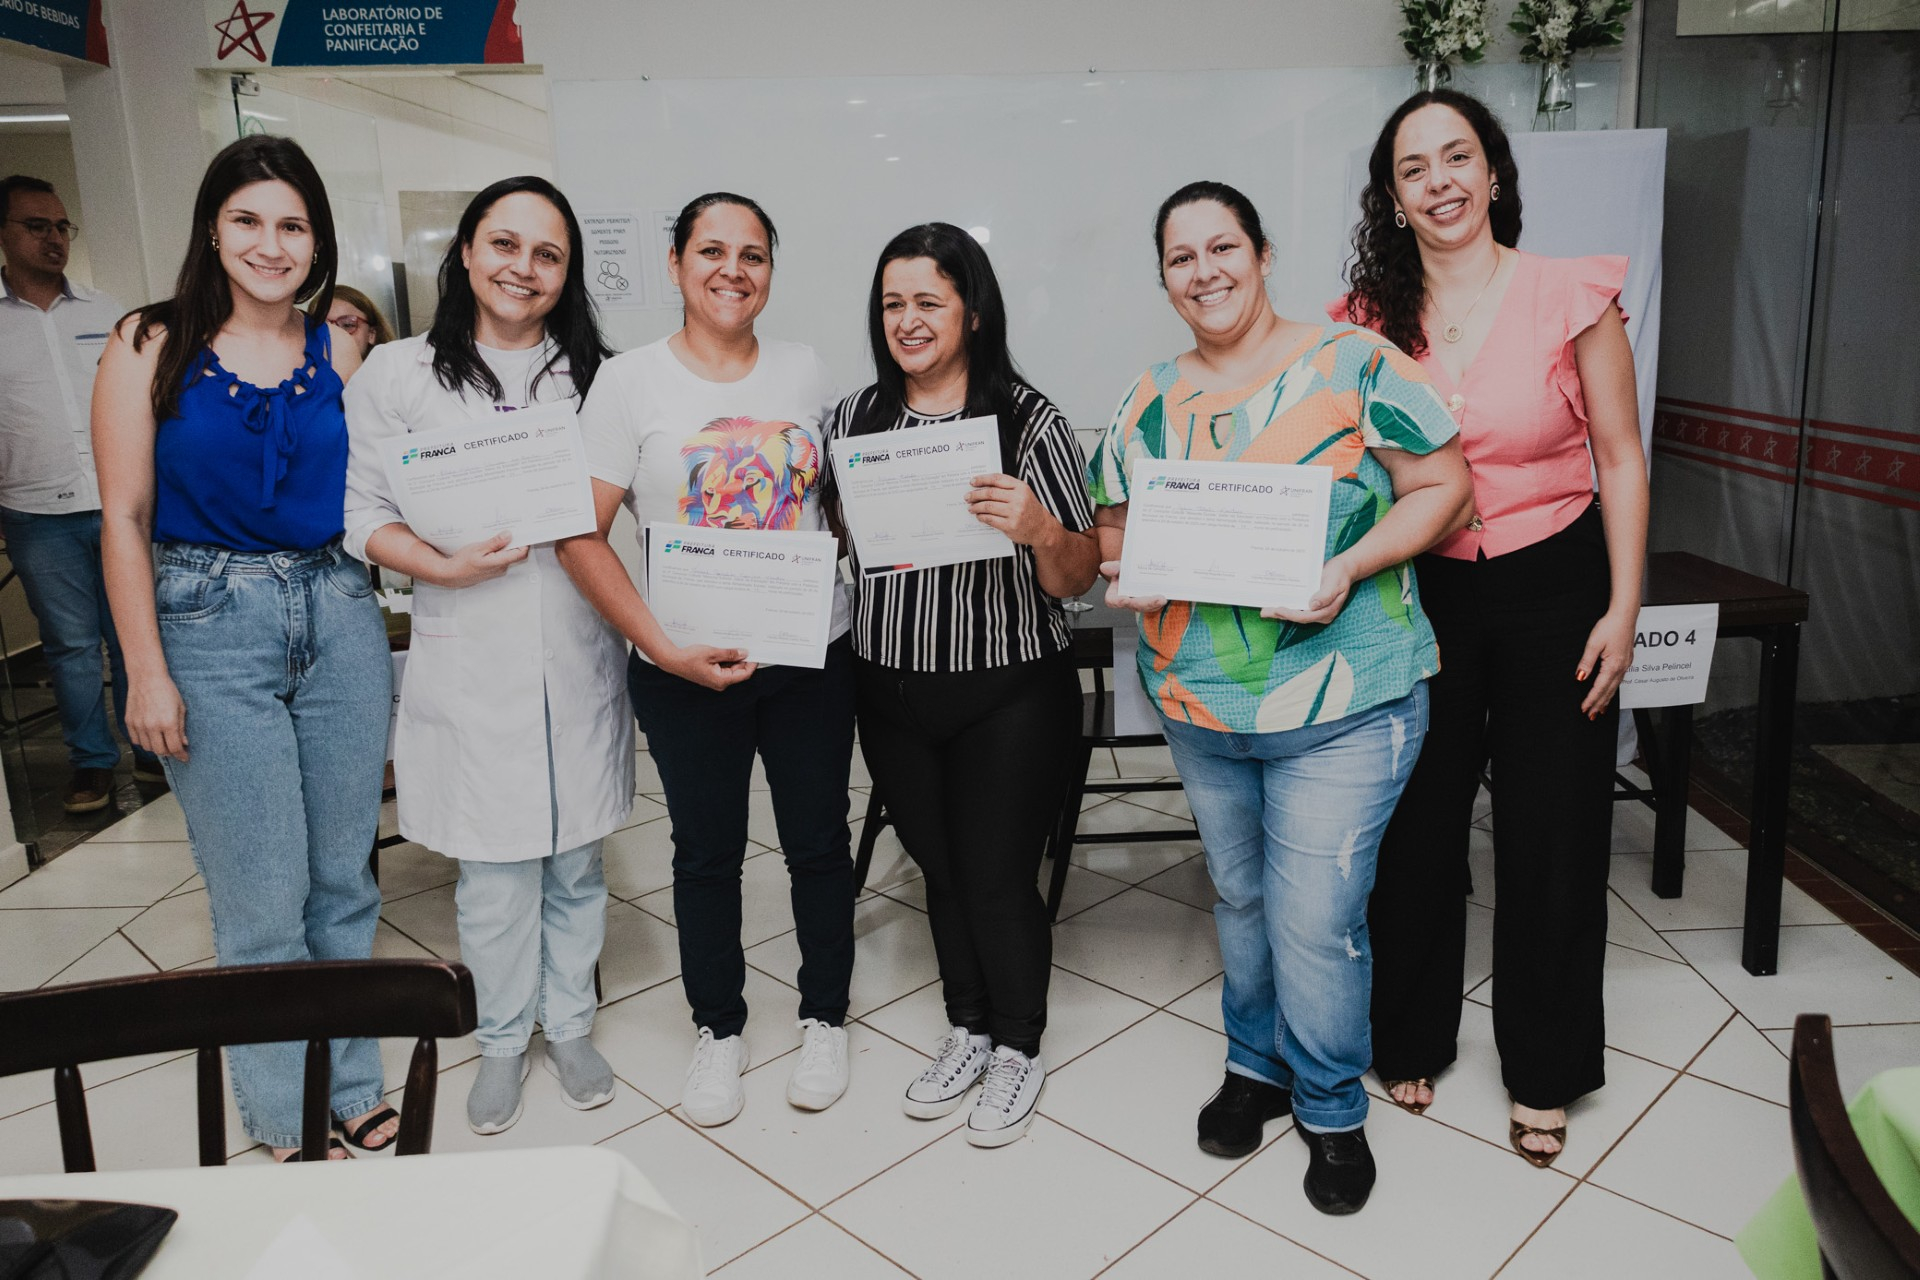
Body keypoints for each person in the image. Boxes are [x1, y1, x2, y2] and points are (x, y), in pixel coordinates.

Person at [1091, 180, 1473, 1215]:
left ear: (1261, 253)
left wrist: (1350, 564)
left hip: (1346, 701)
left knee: (1314, 916)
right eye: (1181, 257)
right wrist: (1129, 570)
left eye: (1224, 247)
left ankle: (1331, 1106)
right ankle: (1254, 1065)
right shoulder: (1143, 399)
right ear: (1163, 276)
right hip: (1203, 707)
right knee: (1244, 897)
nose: (1205, 271)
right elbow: (1114, 534)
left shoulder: (1355, 365)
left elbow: (1447, 488)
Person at [1335, 89, 1648, 1169]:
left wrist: (1623, 604)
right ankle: (1411, 1034)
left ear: (1496, 171)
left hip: (1553, 580)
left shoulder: (1573, 296)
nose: (1441, 182)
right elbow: (1342, 467)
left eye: (1457, 157)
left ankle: (1546, 1068)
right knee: (1414, 820)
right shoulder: (1366, 321)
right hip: (1421, 588)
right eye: (1415, 168)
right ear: (1394, 197)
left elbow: (1620, 456)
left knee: (1552, 828)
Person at [93, 136, 396, 1162]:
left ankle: (352, 1082)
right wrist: (144, 666)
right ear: (213, 228)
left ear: (319, 237)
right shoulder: (148, 340)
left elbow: (377, 497)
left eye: (293, 224)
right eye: (249, 221)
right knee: (260, 894)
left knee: (343, 879)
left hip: (339, 611)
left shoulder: (341, 348)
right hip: (207, 621)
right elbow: (124, 517)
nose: (271, 245)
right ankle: (282, 1111)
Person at [556, 192, 855, 1127]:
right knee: (707, 852)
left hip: (809, 654)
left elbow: (840, 504)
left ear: (772, 270)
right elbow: (580, 532)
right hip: (682, 663)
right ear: (679, 262)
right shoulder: (628, 382)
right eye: (713, 251)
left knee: (817, 842)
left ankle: (825, 1016)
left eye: (754, 254)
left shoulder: (807, 369)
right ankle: (718, 1030)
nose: (734, 269)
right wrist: (660, 647)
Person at [343, 177, 632, 1133]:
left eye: (547, 255)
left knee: (578, 859)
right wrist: (440, 565)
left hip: (577, 648)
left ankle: (574, 1022)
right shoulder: (397, 374)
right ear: (465, 252)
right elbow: (363, 516)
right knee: (498, 873)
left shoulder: (596, 375)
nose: (523, 268)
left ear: (567, 274)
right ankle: (504, 1041)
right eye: (504, 245)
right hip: (469, 651)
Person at [823, 224, 1099, 1146]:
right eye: (893, 303)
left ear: (971, 312)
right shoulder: (850, 421)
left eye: (928, 301)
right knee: (940, 872)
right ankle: (970, 1027)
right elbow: (832, 550)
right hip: (892, 688)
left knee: (994, 877)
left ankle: (1020, 1043)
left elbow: (1078, 577)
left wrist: (1037, 526)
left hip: (1010, 691)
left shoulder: (1031, 421)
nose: (908, 320)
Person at [0, 174, 163, 811]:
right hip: (36, 510)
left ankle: (151, 751)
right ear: (5, 234)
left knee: (134, 631)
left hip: (120, 502)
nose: (54, 238)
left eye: (62, 226)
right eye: (36, 226)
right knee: (68, 644)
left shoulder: (108, 313)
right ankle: (92, 764)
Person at [321, 284, 394, 362]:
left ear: (371, 334)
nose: (333, 335)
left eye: (347, 325)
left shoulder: (394, 371)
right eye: (321, 326)